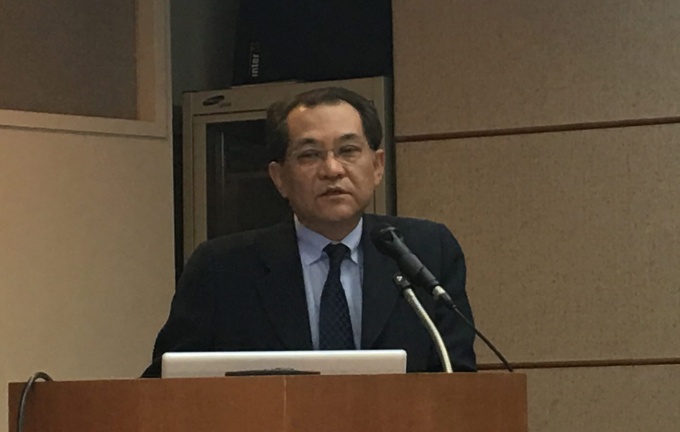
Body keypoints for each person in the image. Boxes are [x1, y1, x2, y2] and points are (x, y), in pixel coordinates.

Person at [142, 87, 476, 377]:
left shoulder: (426, 251)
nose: (332, 170)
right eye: (310, 155)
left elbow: (458, 378)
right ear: (279, 178)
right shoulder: (222, 269)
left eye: (348, 151)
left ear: (376, 166)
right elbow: (166, 387)